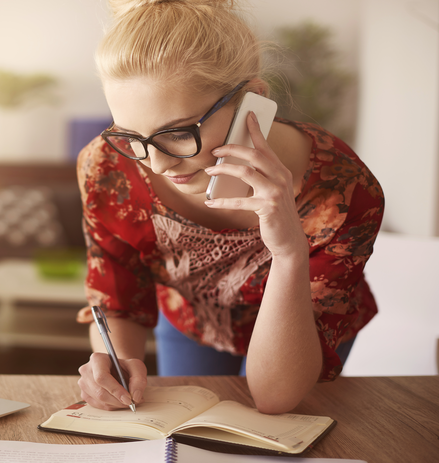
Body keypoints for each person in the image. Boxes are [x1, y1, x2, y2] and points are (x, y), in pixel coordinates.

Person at [75, 0, 384, 415]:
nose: (159, 164)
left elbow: (275, 397)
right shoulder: (108, 165)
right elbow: (117, 290)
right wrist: (115, 367)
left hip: (305, 326)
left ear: (252, 100)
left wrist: (289, 252)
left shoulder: (343, 192)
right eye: (131, 135)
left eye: (179, 133)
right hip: (190, 320)